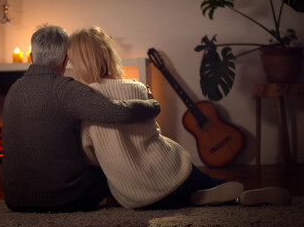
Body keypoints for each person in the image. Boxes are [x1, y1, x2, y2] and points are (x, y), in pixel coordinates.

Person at [67, 26, 292, 210]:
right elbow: (153, 129)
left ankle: (201, 198)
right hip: (172, 173)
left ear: (80, 63)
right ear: (107, 53)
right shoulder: (136, 88)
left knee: (182, 197)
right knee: (206, 182)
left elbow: (90, 155)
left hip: (136, 198)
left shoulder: (86, 102)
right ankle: (233, 194)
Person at [1, 25, 161, 213]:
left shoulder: (14, 88)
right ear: (66, 59)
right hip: (61, 199)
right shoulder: (65, 89)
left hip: (13, 199)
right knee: (110, 175)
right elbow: (119, 112)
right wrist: (152, 105)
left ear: (31, 57)